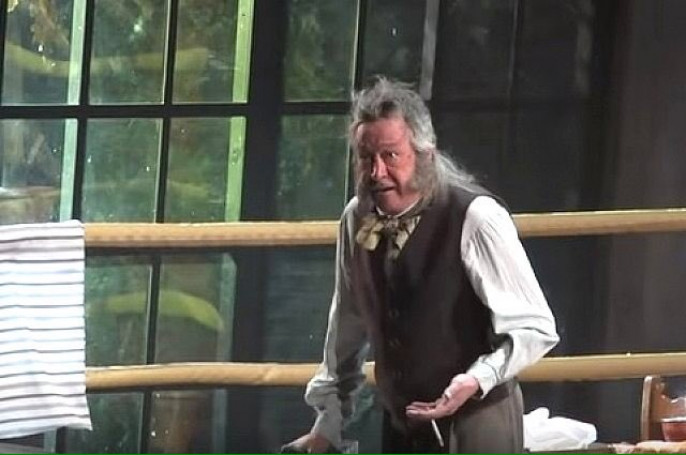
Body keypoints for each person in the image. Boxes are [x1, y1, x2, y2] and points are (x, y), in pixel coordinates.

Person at [284, 77, 559, 454]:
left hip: (477, 426)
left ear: (424, 153)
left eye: (390, 155)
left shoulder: (475, 217)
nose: (377, 172)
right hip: (403, 426)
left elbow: (535, 326)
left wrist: (476, 379)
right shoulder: (355, 219)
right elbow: (345, 328)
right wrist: (327, 424)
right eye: (366, 157)